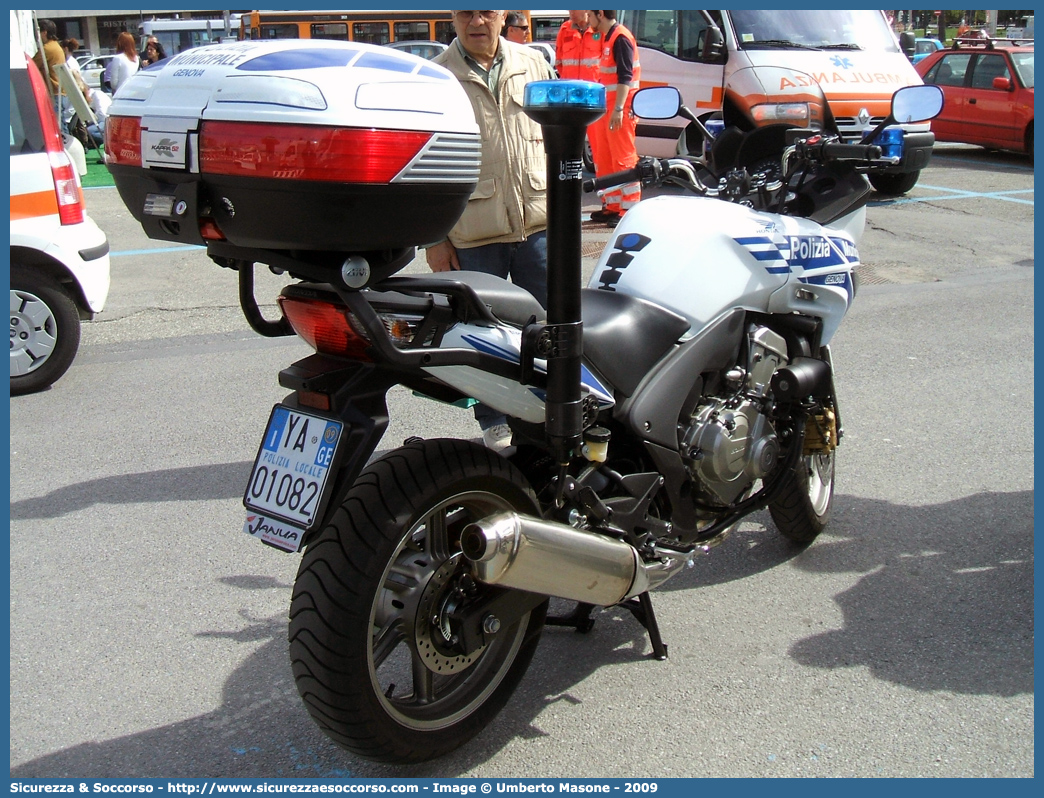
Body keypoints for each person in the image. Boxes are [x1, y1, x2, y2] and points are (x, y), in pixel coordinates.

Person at [430, 10, 555, 453]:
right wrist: (435, 239)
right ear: (452, 17)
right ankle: (495, 420)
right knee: (484, 333)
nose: (476, 21)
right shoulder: (438, 76)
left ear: (505, 15)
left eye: (487, 10)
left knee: (550, 323)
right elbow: (427, 163)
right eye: (466, 11)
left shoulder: (534, 64)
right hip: (472, 231)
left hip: (538, 222)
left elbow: (559, 136)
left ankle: (553, 407)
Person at [586, 10, 641, 228]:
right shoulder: (608, 37)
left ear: (600, 14)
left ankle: (629, 208)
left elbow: (625, 77)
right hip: (608, 109)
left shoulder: (620, 38)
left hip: (620, 109)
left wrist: (618, 108)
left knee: (623, 159)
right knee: (605, 158)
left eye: (590, 15)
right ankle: (613, 204)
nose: (587, 20)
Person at [554, 10, 600, 81]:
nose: (572, 13)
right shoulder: (564, 30)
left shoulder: (599, 29)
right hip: (570, 88)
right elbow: (559, 63)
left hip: (593, 88)